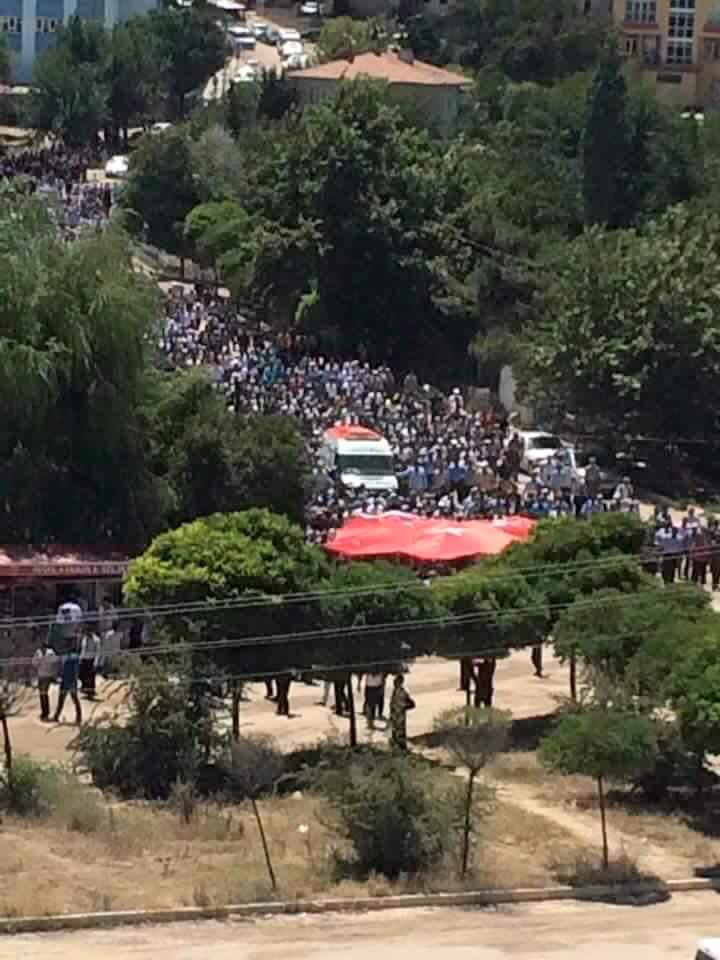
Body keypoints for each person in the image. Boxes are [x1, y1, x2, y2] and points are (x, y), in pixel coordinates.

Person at [53, 648, 82, 725]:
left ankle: (57, 716)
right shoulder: (73, 658)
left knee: (64, 700)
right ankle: (78, 717)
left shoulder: (71, 658)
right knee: (71, 699)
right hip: (67, 681)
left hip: (68, 681)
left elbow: (73, 670)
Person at [33, 639, 58, 722]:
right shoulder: (38, 653)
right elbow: (34, 663)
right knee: (42, 694)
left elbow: (55, 663)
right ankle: (44, 712)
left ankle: (46, 713)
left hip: (47, 675)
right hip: (41, 675)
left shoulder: (50, 653)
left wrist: (54, 674)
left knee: (44, 694)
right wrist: (38, 661)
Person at [389, 674, 415, 750]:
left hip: (399, 716)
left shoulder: (403, 692)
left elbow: (412, 704)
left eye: (396, 681)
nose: (394, 683)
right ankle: (397, 747)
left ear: (400, 682)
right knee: (395, 732)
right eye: (395, 681)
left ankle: (401, 748)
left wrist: (403, 708)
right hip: (395, 715)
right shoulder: (395, 691)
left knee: (399, 732)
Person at [79, 625, 100, 699]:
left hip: (91, 660)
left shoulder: (96, 640)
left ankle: (90, 692)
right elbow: (83, 649)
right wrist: (80, 658)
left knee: (91, 677)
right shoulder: (85, 639)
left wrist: (95, 663)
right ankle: (85, 689)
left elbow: (97, 652)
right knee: (83, 675)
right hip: (84, 659)